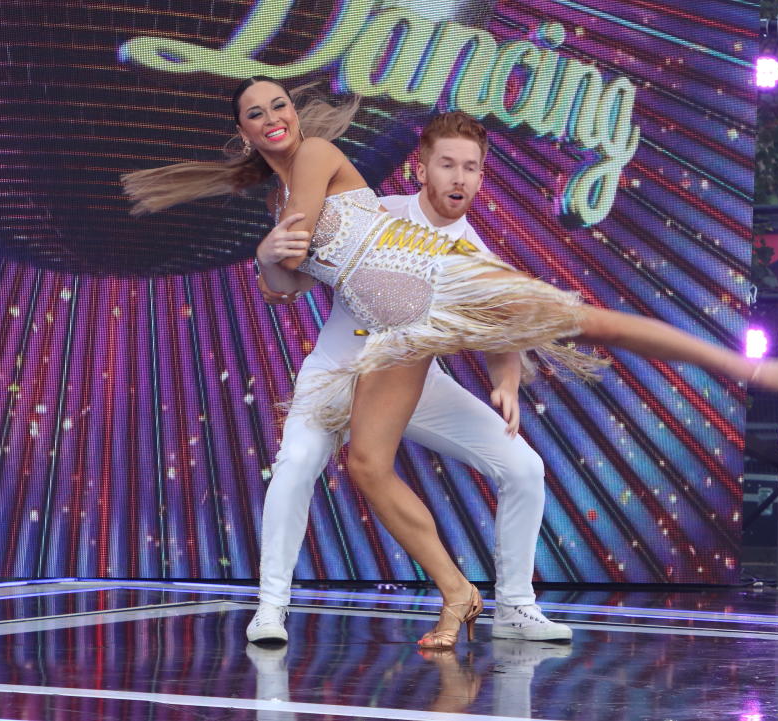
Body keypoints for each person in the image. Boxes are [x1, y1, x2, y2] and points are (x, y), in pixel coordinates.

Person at [123, 76, 778, 650]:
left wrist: (507, 376)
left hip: (441, 289)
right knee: (359, 463)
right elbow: (289, 285)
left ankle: (752, 370)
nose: (274, 116)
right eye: (258, 112)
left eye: (279, 105)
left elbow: (295, 254)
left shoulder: (316, 157)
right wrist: (269, 263)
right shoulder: (313, 197)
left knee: (588, 323)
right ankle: (447, 593)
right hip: (384, 340)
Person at [245, 112, 572, 645]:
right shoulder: (374, 212)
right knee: (297, 462)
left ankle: (515, 607)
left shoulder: (474, 258)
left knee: (525, 468)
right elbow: (297, 276)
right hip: (335, 370)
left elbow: (501, 331)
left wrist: (506, 382)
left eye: (470, 168)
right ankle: (270, 608)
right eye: (447, 164)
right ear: (421, 170)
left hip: (412, 384)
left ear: (482, 178)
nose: (459, 177)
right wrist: (272, 265)